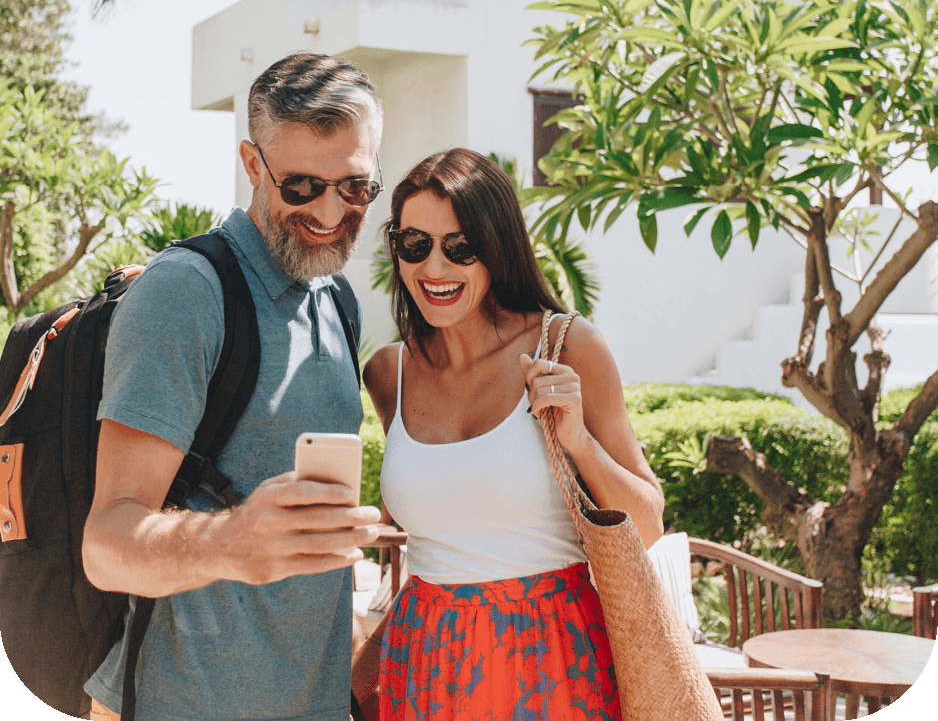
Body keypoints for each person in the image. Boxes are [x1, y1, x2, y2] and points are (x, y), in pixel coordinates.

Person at [81, 52, 385, 721]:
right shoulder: (186, 292)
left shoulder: (337, 298)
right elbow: (106, 545)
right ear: (253, 164)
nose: (330, 211)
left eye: (356, 186)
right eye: (301, 185)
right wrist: (229, 543)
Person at [358, 148, 665, 720]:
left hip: (550, 663)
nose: (435, 268)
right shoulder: (387, 373)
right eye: (414, 244)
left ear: (497, 248)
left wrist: (579, 443)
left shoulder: (569, 347)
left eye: (460, 248)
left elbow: (647, 527)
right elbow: (439, 537)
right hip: (424, 667)